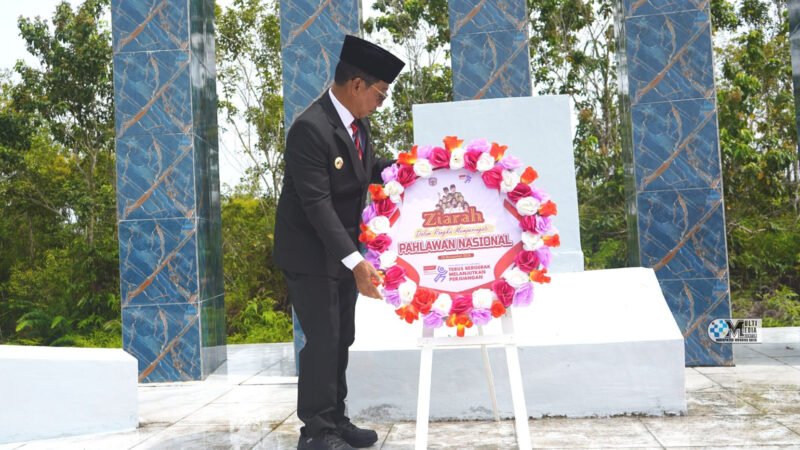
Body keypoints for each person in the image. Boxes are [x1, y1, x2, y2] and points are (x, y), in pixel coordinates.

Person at [272, 35, 404, 450]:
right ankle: (315, 432)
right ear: (358, 85)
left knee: (341, 336)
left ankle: (335, 419)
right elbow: (317, 205)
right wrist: (356, 261)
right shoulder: (310, 129)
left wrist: (415, 166)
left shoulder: (356, 125)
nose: (381, 103)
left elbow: (368, 171)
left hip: (341, 252)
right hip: (311, 254)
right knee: (324, 339)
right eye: (381, 94)